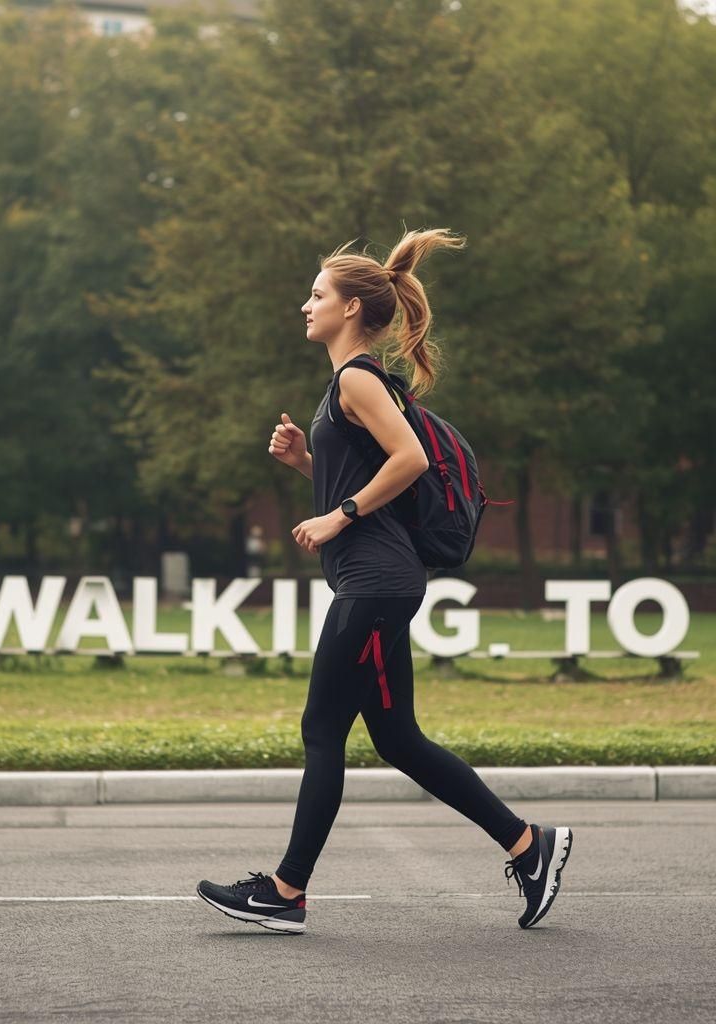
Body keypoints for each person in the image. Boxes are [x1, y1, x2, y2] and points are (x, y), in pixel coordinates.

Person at [197, 227, 573, 934]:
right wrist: (309, 466)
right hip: (376, 580)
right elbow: (385, 479)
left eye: (316, 295)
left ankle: (285, 891)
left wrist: (338, 513)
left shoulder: (358, 378)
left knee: (321, 730)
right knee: (397, 738)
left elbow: (409, 461)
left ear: (350, 310)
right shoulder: (352, 384)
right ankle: (530, 846)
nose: (304, 305)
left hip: (374, 585)